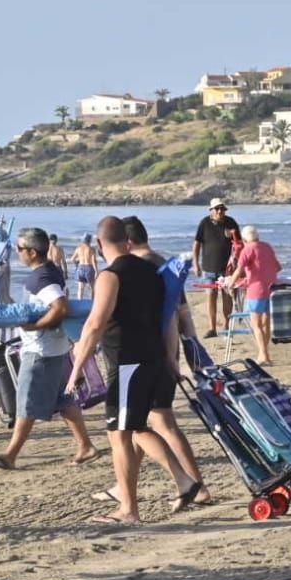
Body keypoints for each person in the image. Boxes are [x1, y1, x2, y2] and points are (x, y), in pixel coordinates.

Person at [67, 218, 198, 525]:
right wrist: (171, 360)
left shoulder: (110, 276)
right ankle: (183, 481)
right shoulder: (151, 271)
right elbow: (168, 318)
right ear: (126, 241)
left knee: (119, 435)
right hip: (154, 359)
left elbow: (95, 324)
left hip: (127, 362)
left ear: (100, 245)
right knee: (136, 429)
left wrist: (76, 368)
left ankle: (129, 510)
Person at [0, 228, 97, 470]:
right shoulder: (50, 270)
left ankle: (10, 455)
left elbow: (61, 307)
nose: (17, 252)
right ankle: (86, 446)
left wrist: (36, 325)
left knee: (26, 402)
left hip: (41, 351)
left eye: (19, 248)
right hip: (54, 347)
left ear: (32, 252)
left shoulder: (42, 278)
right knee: (63, 401)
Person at [227, 224, 282, 364]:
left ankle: (264, 355)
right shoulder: (267, 247)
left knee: (256, 324)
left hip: (256, 290)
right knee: (265, 323)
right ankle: (265, 353)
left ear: (245, 239)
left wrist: (230, 284)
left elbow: (238, 270)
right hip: (271, 288)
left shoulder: (247, 250)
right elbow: (278, 267)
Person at [193, 199, 240, 336]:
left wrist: (240, 267)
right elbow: (197, 244)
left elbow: (239, 245)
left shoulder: (231, 222)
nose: (220, 211)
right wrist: (196, 264)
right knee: (210, 297)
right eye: (217, 209)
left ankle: (226, 326)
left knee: (227, 297)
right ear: (211, 210)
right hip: (208, 268)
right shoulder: (204, 223)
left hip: (227, 269)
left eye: (222, 209)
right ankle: (212, 328)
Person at [71, 234, 100, 300]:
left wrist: (77, 263)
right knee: (92, 288)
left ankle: (79, 301)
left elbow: (72, 259)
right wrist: (96, 271)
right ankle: (91, 302)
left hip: (80, 268)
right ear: (90, 240)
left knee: (80, 288)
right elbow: (94, 261)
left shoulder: (78, 248)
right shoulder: (91, 249)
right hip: (89, 268)